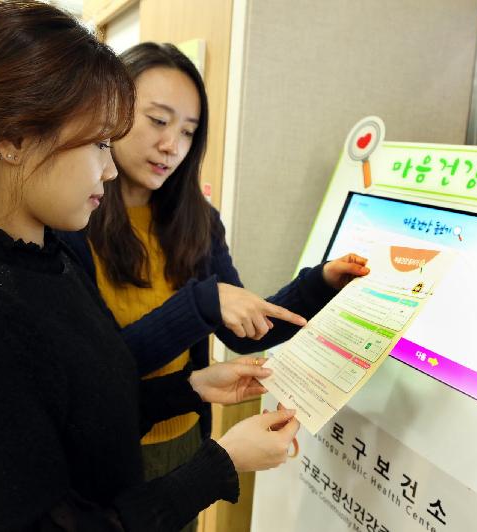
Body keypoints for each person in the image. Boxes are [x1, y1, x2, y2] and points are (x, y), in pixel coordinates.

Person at [0, 3, 300, 531]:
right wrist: (220, 465)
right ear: (13, 138)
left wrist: (191, 387)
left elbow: (88, 413)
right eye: (98, 143)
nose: (110, 169)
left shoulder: (50, 257)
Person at [58, 41, 370, 529]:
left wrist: (321, 283)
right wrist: (200, 305)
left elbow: (244, 329)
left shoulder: (198, 221)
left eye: (188, 131)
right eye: (158, 121)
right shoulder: (70, 221)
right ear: (110, 112)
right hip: (107, 451)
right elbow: (99, 370)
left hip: (186, 438)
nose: (172, 145)